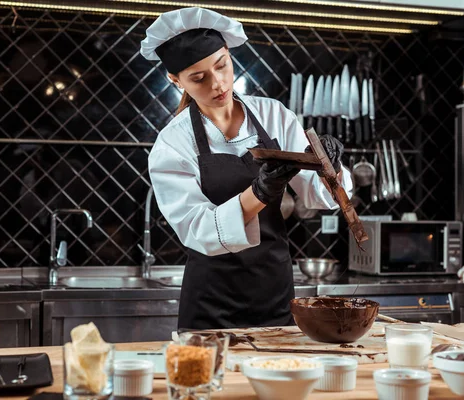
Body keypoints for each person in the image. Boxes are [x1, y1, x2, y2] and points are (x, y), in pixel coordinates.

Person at [140, 7, 353, 330]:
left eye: (222, 65)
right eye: (198, 78)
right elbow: (197, 229)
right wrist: (258, 193)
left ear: (228, 54)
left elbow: (318, 195)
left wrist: (328, 167)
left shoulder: (274, 116)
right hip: (210, 304)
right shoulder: (172, 143)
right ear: (175, 80)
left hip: (275, 292)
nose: (218, 83)